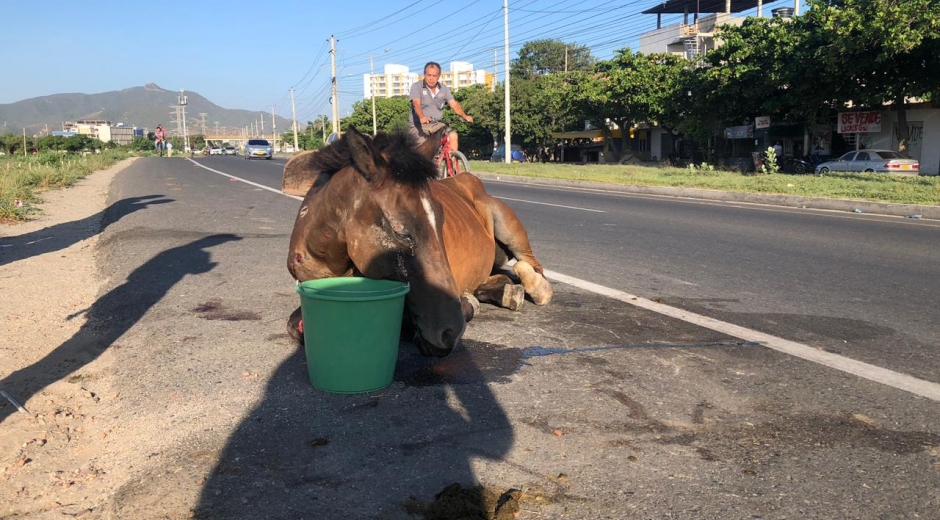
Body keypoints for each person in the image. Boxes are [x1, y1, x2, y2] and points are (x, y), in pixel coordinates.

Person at [409, 61, 473, 153]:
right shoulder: (417, 87)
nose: (431, 78)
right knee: (426, 151)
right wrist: (422, 117)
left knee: (453, 135)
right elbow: (416, 104)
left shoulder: (444, 89)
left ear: (438, 76)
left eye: (434, 76)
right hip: (419, 126)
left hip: (437, 125)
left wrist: (465, 116)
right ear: (424, 74)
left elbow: (454, 104)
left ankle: (453, 163)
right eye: (429, 75)